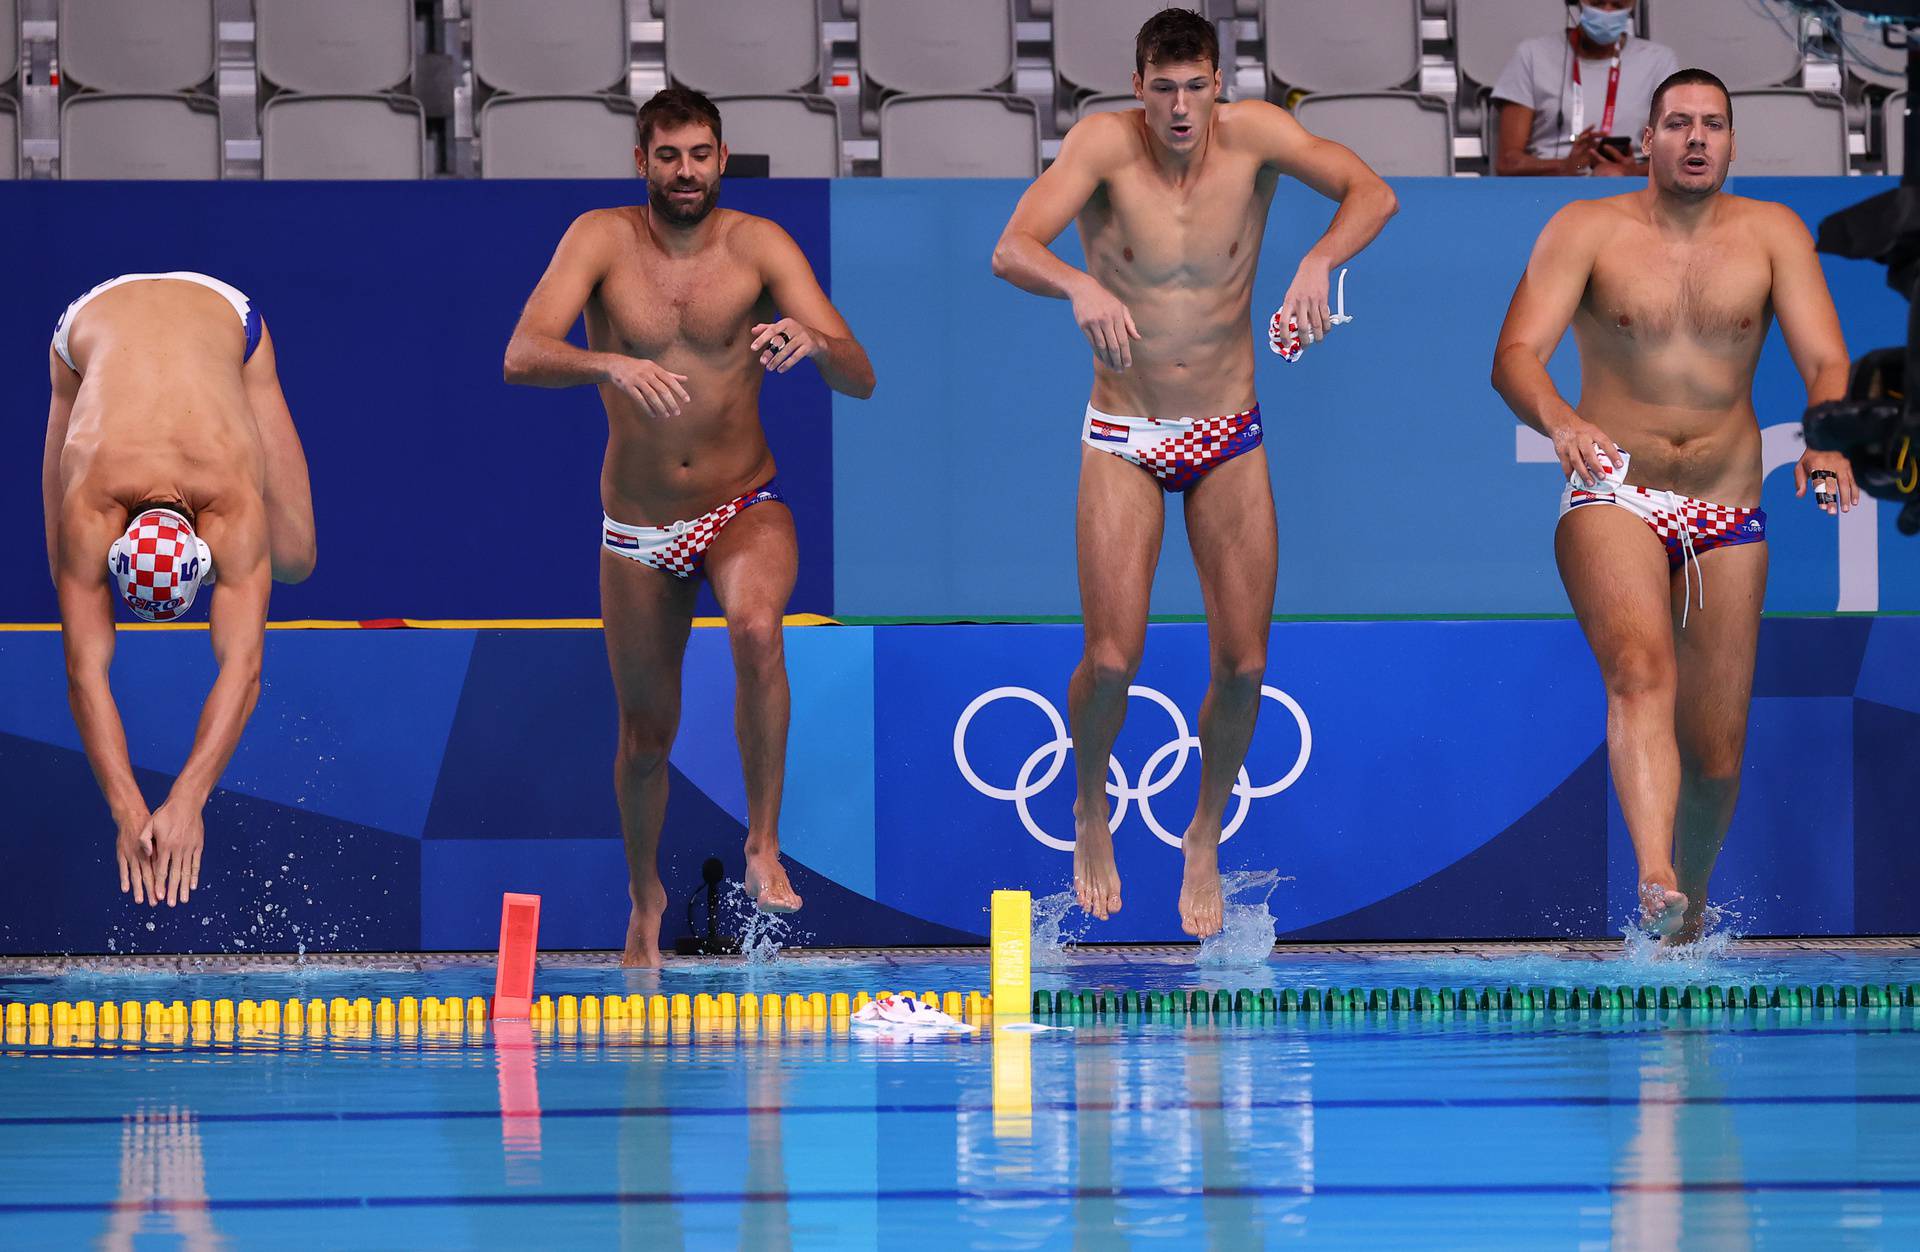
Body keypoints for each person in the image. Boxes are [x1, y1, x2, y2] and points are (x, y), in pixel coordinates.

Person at [990, 7, 1395, 937]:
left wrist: (1317, 265)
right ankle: (1090, 804)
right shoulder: (1099, 145)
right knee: (1109, 658)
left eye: (1196, 86)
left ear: (1221, 83)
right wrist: (1081, 283)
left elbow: (1373, 193)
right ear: (1138, 87)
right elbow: (1011, 248)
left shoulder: (1256, 139)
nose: (1180, 107)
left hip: (1229, 431)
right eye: (1162, 88)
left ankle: (1202, 832)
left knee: (1247, 665)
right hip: (1125, 432)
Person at [503, 88, 875, 967]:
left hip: (743, 502)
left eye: (700, 154)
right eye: (667, 155)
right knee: (644, 736)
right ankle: (645, 899)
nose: (685, 171)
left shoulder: (760, 246)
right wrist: (610, 364)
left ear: (721, 156)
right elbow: (521, 353)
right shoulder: (600, 238)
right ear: (641, 161)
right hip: (636, 528)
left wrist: (815, 345)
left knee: (756, 627)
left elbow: (860, 376)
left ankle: (761, 843)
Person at [1492, 70, 1856, 941]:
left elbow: (1827, 363)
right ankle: (1653, 870)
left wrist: (1829, 436)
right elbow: (1514, 355)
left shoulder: (1773, 235)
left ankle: (1681, 913)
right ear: (1646, 138)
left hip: (1727, 506)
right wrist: (1564, 420)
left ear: (1732, 142)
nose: (1697, 139)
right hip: (1613, 489)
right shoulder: (1585, 228)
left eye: (1714, 125)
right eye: (1679, 124)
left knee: (1718, 757)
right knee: (1639, 670)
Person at [43, 272, 317, 909]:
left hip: (223, 313)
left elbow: (244, 671)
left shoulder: (231, 501)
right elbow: (84, 677)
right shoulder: (90, 509)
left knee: (296, 556)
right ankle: (83, 583)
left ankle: (88, 590)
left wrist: (187, 800)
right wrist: (127, 806)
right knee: (62, 563)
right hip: (82, 330)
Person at [1490, 1, 1679, 178]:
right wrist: (1563, 166)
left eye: (1618, 4)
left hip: (1629, 191)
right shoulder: (1532, 55)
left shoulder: (1658, 61)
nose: (1607, 11)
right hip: (1553, 186)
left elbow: (1677, 156)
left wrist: (1634, 172)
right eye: (1597, 3)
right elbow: (1507, 162)